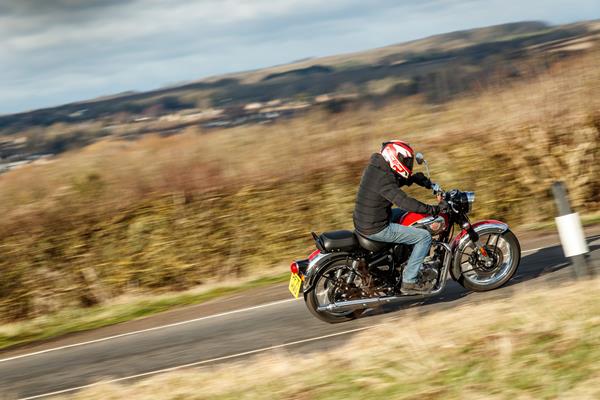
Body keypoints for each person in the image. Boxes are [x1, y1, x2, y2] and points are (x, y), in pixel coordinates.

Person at [353, 140, 446, 295]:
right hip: (376, 227)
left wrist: (414, 179)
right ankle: (409, 281)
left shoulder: (377, 167)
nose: (408, 164)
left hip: (369, 219)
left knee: (408, 217)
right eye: (406, 161)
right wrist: (432, 209)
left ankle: (402, 260)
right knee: (423, 237)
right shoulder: (384, 179)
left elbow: (394, 182)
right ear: (394, 157)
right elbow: (404, 201)